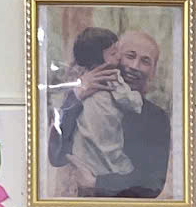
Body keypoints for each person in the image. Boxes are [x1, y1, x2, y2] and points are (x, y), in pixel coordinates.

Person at [49, 29, 172, 199]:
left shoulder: (156, 118)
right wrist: (76, 96)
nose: (134, 66)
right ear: (112, 57)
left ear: (153, 71)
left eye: (145, 61)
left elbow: (152, 184)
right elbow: (56, 156)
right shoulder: (81, 99)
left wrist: (96, 183)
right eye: (130, 56)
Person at [61, 26, 145, 196]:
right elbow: (130, 102)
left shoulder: (82, 78)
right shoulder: (110, 75)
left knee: (89, 148)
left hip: (88, 141)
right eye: (114, 53)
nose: (119, 57)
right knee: (107, 150)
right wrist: (136, 98)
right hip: (103, 130)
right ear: (99, 59)